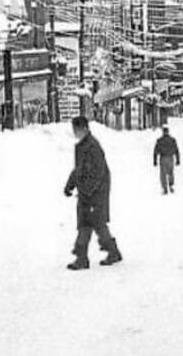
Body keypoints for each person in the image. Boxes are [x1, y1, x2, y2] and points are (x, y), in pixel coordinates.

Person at [63, 116, 122, 270]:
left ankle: (85, 257)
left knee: (94, 222)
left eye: (78, 129)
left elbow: (99, 172)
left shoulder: (93, 147)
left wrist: (88, 191)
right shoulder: (82, 146)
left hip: (97, 191)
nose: (75, 132)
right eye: (74, 130)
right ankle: (101, 253)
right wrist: (70, 185)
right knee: (88, 222)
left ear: (85, 128)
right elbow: (78, 169)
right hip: (87, 191)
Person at [153, 126, 181, 194]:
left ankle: (164, 188)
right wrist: (178, 159)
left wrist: (155, 160)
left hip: (163, 158)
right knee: (170, 172)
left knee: (163, 174)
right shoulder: (172, 140)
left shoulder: (159, 140)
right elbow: (176, 150)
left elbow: (156, 151)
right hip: (170, 158)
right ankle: (171, 185)